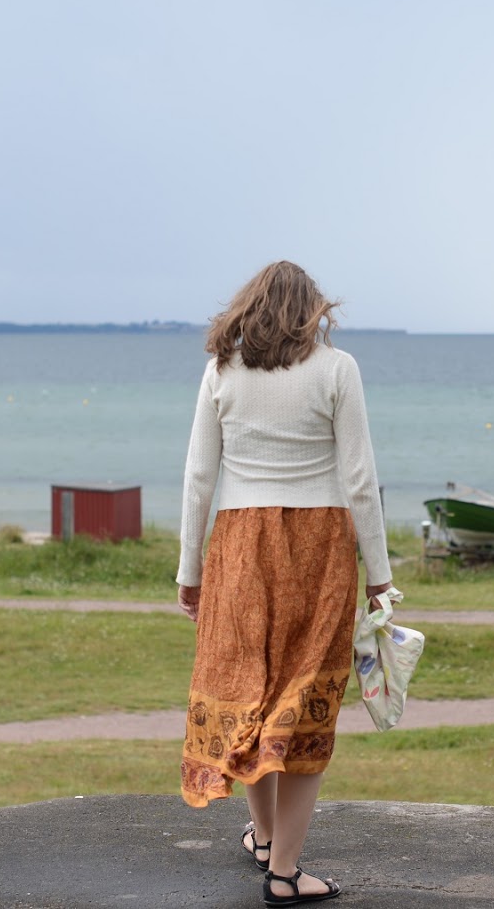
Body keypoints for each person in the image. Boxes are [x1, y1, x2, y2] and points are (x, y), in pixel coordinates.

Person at [176, 260, 393, 906]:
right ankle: (285, 872)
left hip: (240, 544)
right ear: (313, 310)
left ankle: (267, 838)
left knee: (254, 691)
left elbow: (198, 478)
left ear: (249, 308)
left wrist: (190, 570)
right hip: (319, 548)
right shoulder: (336, 368)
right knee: (301, 702)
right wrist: (380, 574)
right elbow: (360, 479)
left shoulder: (222, 371)